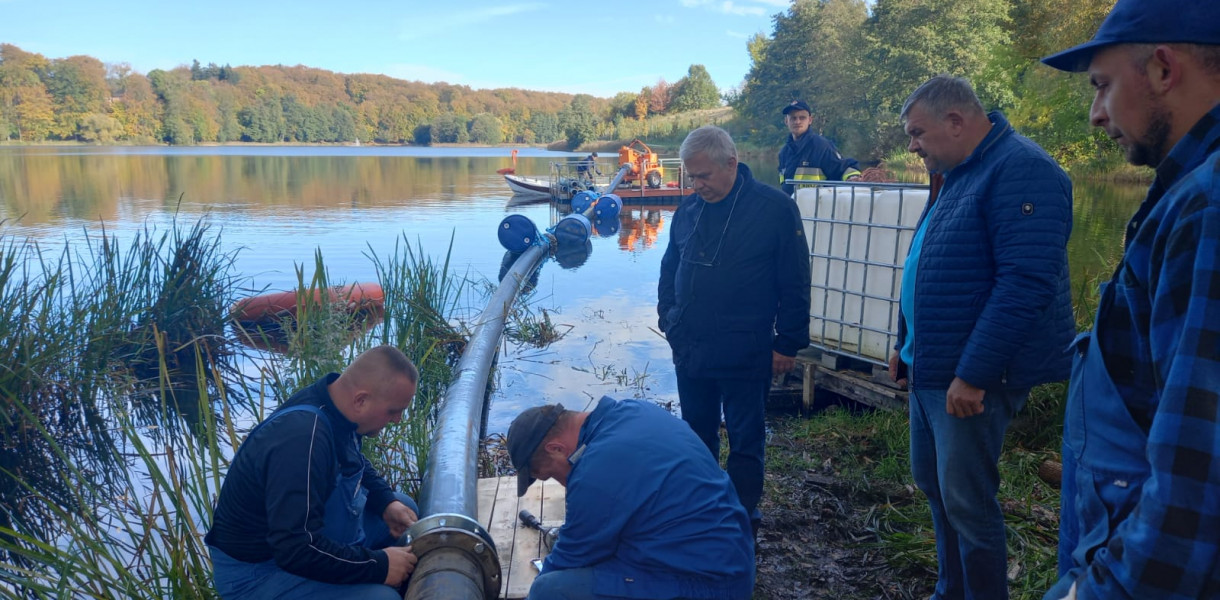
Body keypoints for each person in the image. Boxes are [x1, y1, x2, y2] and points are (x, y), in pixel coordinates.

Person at [1039, 1, 1220, 598]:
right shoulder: (1187, 191)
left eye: (1102, 86)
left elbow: (1198, 478)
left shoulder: (1209, 207)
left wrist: (1101, 589)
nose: (1095, 114)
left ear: (1164, 69)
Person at [887, 75, 1075, 600]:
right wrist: (904, 349)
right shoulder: (959, 171)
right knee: (935, 487)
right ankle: (951, 590)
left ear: (956, 121)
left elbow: (1025, 284)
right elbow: (925, 264)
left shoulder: (1023, 169)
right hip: (933, 367)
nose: (913, 145)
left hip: (970, 376)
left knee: (968, 502)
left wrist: (974, 374)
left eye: (918, 133)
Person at [658, 125, 810, 534]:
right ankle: (705, 511)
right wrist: (667, 319)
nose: (697, 184)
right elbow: (670, 266)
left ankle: (743, 518)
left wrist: (788, 343)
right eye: (691, 176)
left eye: (704, 176)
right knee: (697, 436)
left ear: (731, 164)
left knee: (746, 441)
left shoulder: (774, 209)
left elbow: (795, 281)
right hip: (690, 348)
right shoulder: (689, 210)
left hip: (747, 350)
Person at [206, 345, 421, 599]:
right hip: (259, 573)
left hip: (295, 544)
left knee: (402, 507)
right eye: (393, 411)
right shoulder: (301, 439)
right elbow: (294, 548)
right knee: (382, 598)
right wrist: (378, 565)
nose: (397, 420)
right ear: (361, 400)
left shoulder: (336, 404)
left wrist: (385, 500)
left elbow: (354, 460)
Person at [508, 397, 755, 600]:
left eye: (551, 475)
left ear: (557, 449)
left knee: (549, 591)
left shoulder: (594, 472)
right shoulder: (635, 410)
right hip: (733, 560)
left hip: (708, 588)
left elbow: (566, 560)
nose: (562, 484)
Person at [777, 99, 862, 196]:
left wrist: (852, 177)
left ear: (810, 120)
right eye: (793, 118)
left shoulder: (822, 146)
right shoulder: (784, 153)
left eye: (802, 118)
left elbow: (842, 168)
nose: (797, 122)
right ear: (786, 121)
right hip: (793, 207)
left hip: (819, 208)